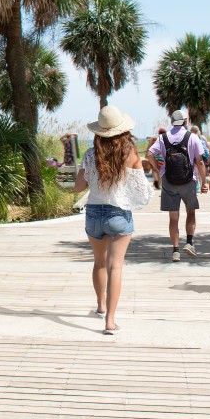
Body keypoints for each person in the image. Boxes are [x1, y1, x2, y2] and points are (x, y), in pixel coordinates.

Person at [75, 105, 152, 335]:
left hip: (93, 214)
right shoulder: (130, 153)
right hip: (118, 214)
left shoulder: (90, 155)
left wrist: (88, 173)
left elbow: (79, 187)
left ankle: (100, 306)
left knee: (99, 262)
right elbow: (142, 188)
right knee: (115, 266)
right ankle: (110, 321)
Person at [148, 110, 210, 261]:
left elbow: (149, 154)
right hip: (189, 180)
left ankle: (175, 251)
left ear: (171, 122)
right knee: (191, 212)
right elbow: (200, 161)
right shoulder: (192, 137)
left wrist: (158, 169)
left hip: (169, 180)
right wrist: (204, 182)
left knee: (173, 217)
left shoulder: (163, 137)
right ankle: (189, 243)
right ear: (185, 121)